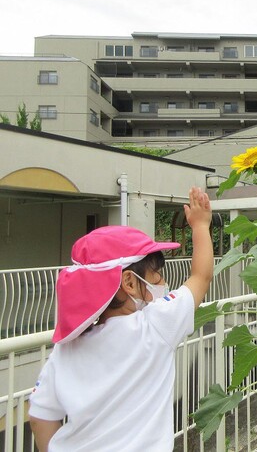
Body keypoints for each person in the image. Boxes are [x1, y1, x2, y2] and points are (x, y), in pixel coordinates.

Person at [29, 187, 213, 452]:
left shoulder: (65, 348)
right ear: (129, 281)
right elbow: (201, 277)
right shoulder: (154, 325)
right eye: (156, 277)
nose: (163, 283)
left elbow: (40, 418)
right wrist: (200, 224)